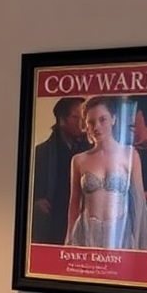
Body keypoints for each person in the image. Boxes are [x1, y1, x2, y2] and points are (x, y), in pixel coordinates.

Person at [65, 96, 147, 250]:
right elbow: (74, 204)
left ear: (113, 119)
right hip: (86, 232)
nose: (97, 127)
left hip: (120, 233)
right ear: (86, 125)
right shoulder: (78, 160)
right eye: (91, 122)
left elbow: (139, 203)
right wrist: (68, 240)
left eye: (102, 119)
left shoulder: (130, 155)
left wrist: (139, 242)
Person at [31, 97, 88, 243]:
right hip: (54, 222)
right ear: (62, 120)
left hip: (83, 219)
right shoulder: (42, 152)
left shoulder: (88, 148)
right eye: (76, 117)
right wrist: (35, 201)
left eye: (83, 117)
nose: (82, 123)